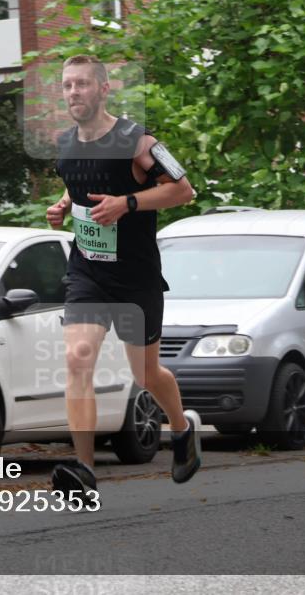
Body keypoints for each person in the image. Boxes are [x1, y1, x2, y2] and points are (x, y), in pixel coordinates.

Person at [46, 55, 201, 503]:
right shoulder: (65, 145)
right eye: (67, 86)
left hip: (136, 278)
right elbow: (79, 188)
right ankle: (84, 471)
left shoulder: (137, 141)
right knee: (78, 359)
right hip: (88, 271)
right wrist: (63, 207)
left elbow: (183, 190)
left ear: (103, 89)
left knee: (147, 373)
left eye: (82, 85)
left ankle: (182, 428)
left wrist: (127, 204)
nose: (74, 93)